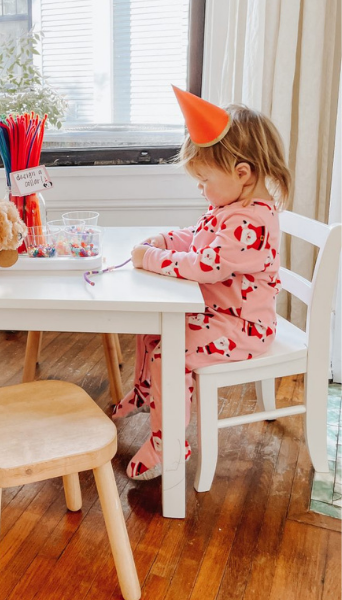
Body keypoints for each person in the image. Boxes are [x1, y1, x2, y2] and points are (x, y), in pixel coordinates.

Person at [113, 87, 290, 480]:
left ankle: (169, 442)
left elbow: (207, 265)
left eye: (204, 179)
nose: (200, 188)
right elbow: (197, 239)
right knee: (152, 327)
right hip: (217, 314)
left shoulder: (250, 221)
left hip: (242, 328)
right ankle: (146, 392)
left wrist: (154, 258)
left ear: (242, 174)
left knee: (167, 352)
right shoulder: (228, 208)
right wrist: (165, 240)